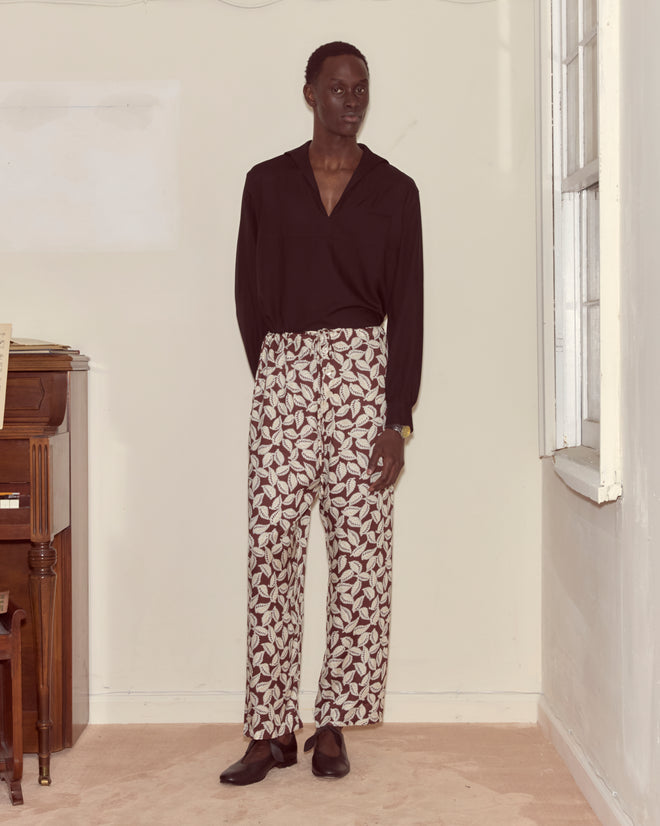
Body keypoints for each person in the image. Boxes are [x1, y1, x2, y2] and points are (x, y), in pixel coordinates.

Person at [220, 41, 423, 786]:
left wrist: (396, 417)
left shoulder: (396, 192)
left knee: (360, 557)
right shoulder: (265, 185)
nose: (351, 99)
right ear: (308, 93)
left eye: (361, 88)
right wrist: (278, 378)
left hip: (366, 378)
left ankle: (332, 723)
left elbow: (409, 308)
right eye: (336, 87)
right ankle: (269, 729)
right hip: (286, 373)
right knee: (271, 549)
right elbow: (248, 296)